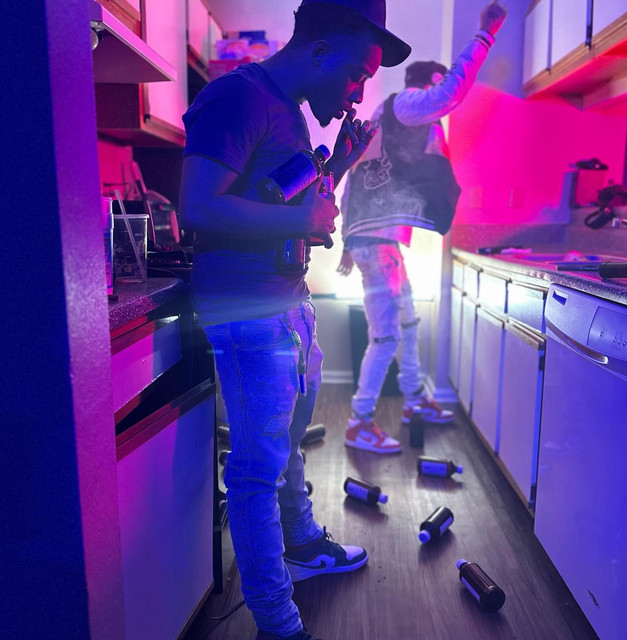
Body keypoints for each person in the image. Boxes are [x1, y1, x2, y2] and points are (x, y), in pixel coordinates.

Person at [179, 1, 410, 639]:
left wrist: (339, 164)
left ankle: (301, 545)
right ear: (319, 51)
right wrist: (301, 219)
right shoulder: (238, 96)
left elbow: (284, 197)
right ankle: (277, 621)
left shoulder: (286, 110)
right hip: (248, 312)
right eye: (358, 75)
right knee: (257, 468)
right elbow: (197, 206)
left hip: (285, 303)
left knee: (287, 442)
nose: (358, 93)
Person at [338, 0, 508, 455]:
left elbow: (355, 172)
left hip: (378, 241)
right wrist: (484, 35)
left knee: (408, 324)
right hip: (377, 243)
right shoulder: (408, 105)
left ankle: (413, 402)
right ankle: (358, 422)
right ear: (427, 84)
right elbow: (449, 95)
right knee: (387, 336)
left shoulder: (388, 117)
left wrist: (348, 241)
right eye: (437, 85)